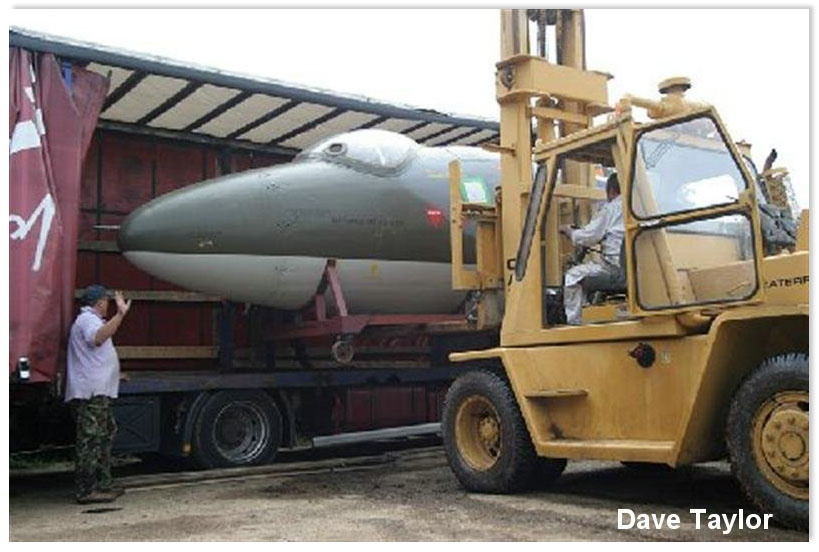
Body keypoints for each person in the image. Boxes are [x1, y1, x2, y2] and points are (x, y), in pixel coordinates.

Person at [65, 284, 131, 504]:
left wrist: (115, 374)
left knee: (104, 434)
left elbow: (95, 356)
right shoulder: (87, 320)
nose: (108, 305)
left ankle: (103, 483)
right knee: (91, 439)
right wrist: (120, 315)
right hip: (90, 393)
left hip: (97, 390)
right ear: (100, 302)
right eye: (106, 302)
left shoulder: (91, 320)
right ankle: (87, 490)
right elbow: (97, 338)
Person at [559, 173, 624, 325]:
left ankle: (575, 322)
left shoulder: (611, 209)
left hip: (614, 268)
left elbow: (588, 237)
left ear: (611, 191)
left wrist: (569, 231)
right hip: (635, 269)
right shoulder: (639, 208)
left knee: (573, 276)